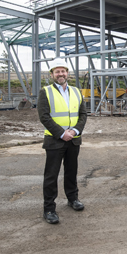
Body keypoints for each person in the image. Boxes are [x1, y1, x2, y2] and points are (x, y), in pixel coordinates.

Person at [38, 58, 87, 224]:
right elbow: (44, 116)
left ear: (67, 73)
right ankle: (49, 209)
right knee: (51, 175)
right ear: (52, 74)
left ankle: (73, 199)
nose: (61, 74)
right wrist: (61, 133)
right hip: (55, 140)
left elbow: (83, 115)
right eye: (57, 71)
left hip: (73, 139)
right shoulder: (45, 92)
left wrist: (74, 131)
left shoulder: (76, 91)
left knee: (71, 171)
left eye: (63, 71)